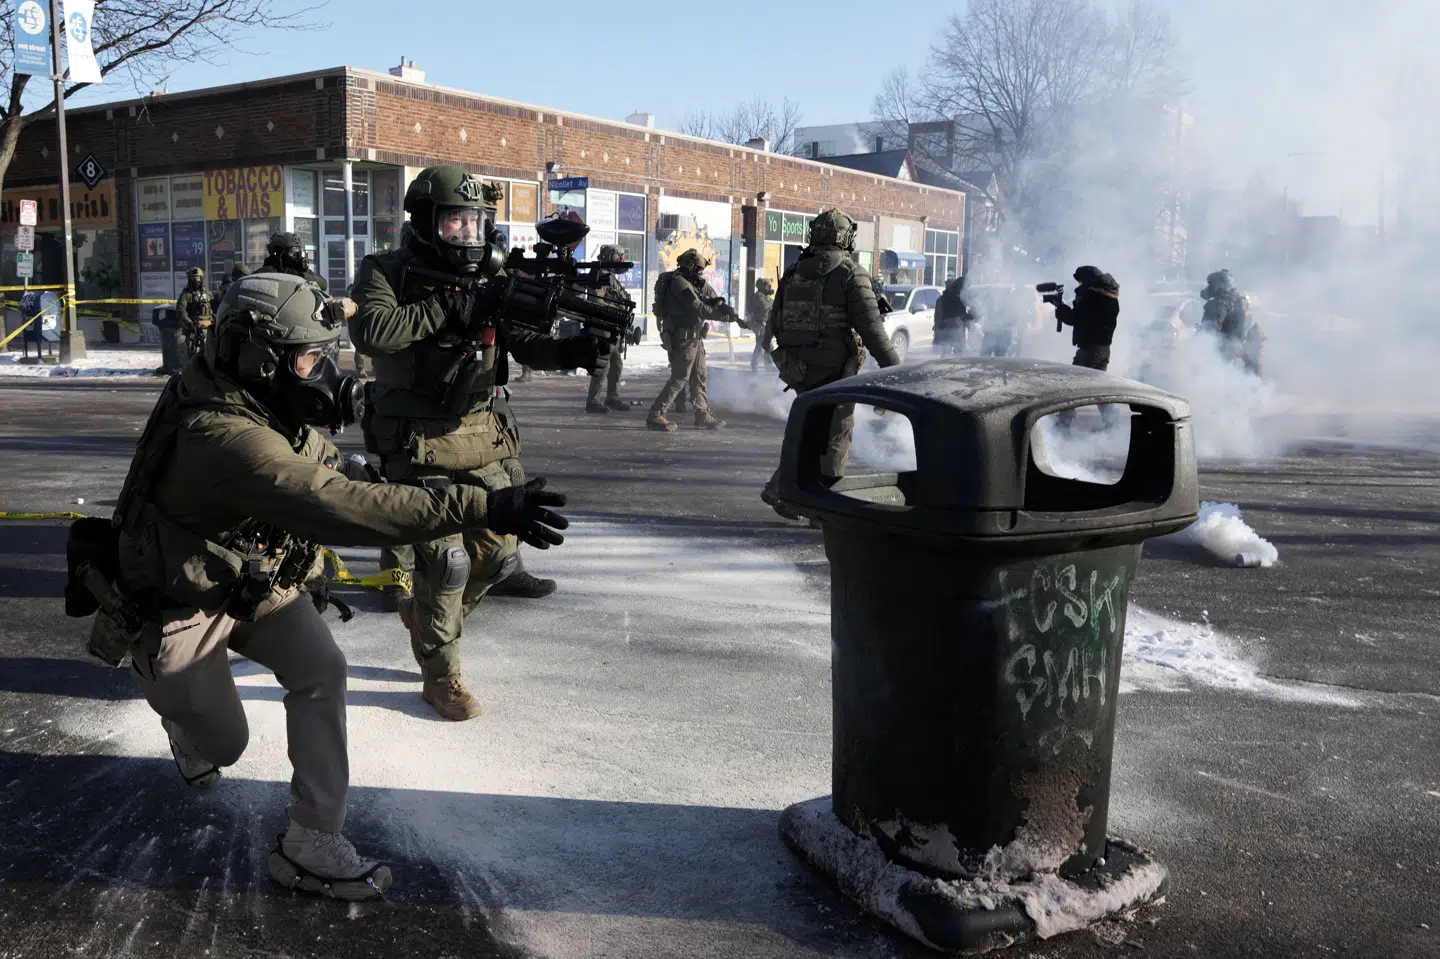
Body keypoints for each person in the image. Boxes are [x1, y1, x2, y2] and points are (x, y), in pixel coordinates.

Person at [98, 272, 569, 899]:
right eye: (310, 357)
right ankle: (178, 714)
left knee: (322, 670)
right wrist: (481, 507)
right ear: (260, 358)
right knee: (226, 745)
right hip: (180, 599)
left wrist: (369, 467)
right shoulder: (224, 435)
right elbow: (337, 504)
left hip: (250, 577)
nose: (325, 371)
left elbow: (326, 464)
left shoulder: (252, 395)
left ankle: (310, 839)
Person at [349, 165, 607, 721]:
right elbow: (373, 331)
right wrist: (451, 306)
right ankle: (442, 677)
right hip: (415, 442)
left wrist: (570, 352)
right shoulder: (385, 271)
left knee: (498, 556)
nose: (467, 236)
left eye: (476, 223)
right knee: (446, 565)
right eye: (454, 225)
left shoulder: (493, 277)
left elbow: (527, 343)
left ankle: (428, 623)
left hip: (483, 436)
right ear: (424, 223)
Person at [760, 209, 900, 515]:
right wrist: (896, 370)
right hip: (835, 371)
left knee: (810, 431)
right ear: (846, 237)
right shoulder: (851, 273)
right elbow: (873, 332)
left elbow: (775, 320)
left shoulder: (795, 270)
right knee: (836, 434)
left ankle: (783, 490)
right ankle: (822, 507)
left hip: (796, 366)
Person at [646, 249, 727, 432]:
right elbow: (698, 307)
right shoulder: (679, 283)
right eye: (698, 269)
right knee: (680, 377)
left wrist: (725, 308)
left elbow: (714, 298)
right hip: (683, 338)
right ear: (689, 266)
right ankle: (656, 413)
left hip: (695, 338)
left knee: (699, 376)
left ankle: (702, 415)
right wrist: (721, 316)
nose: (701, 273)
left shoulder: (694, 282)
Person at [1044, 265, 1121, 427]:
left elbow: (1076, 319)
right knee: (1100, 390)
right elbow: (1084, 318)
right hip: (1101, 350)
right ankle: (1111, 423)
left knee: (1071, 386)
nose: (1079, 286)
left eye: (1081, 282)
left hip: (1091, 350)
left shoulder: (1095, 298)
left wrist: (1062, 308)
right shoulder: (1108, 297)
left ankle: (1064, 424)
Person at [584, 245, 636, 414]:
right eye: (620, 257)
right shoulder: (599, 275)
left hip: (613, 329)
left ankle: (612, 397)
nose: (622, 260)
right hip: (603, 329)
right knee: (602, 365)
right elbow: (596, 301)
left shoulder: (610, 276)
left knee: (616, 366)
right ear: (612, 257)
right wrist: (616, 310)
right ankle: (592, 401)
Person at [1198, 269, 1248, 361]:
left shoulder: (1219, 304)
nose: (1209, 288)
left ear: (1219, 286)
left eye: (1211, 285)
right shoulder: (1236, 300)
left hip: (1220, 352)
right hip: (1233, 349)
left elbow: (1210, 330)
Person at [264, 233, 328, 292]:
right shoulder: (267, 271)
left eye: (298, 253)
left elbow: (324, 284)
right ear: (279, 253)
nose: (297, 257)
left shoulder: (298, 270)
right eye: (293, 252)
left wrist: (299, 275)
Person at [175, 267, 213, 358]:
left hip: (209, 327)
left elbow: (214, 308)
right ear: (189, 279)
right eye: (194, 278)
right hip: (194, 328)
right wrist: (189, 323)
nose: (196, 281)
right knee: (189, 349)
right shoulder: (186, 295)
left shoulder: (208, 293)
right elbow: (181, 311)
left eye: (198, 278)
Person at [933, 275, 973, 357]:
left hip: (947, 327)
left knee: (947, 351)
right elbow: (959, 314)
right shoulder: (957, 297)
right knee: (957, 351)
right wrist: (970, 317)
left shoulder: (944, 297)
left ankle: (944, 366)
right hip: (955, 327)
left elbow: (938, 315)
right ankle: (954, 367)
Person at [747, 277, 776, 373]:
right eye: (768, 286)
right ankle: (754, 365)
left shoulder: (765, 296)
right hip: (759, 326)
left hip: (765, 326)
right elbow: (766, 307)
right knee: (761, 346)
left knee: (767, 346)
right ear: (763, 286)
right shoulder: (758, 296)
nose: (770, 288)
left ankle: (767, 366)